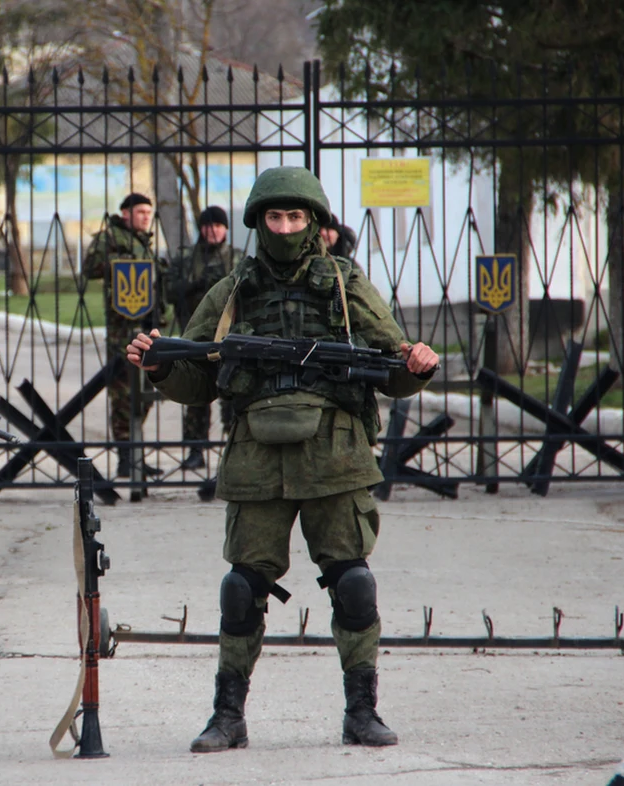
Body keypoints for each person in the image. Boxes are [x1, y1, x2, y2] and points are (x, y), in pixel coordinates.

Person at [125, 167, 439, 751]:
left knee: (353, 585)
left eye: (296, 217)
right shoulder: (232, 290)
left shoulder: (346, 285)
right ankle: (228, 716)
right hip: (257, 459)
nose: (286, 227)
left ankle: (361, 712)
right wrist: (161, 365)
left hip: (335, 457)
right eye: (275, 216)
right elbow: (198, 375)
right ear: (258, 222)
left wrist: (415, 364)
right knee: (242, 589)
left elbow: (392, 364)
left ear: (315, 222)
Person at [84, 192, 169, 477]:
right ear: (125, 214)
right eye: (141, 212)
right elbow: (90, 268)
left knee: (144, 393)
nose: (146, 216)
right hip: (123, 331)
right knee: (123, 396)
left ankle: (135, 455)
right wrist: (117, 260)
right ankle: (125, 459)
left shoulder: (145, 244)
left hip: (147, 328)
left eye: (148, 212)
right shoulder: (111, 237)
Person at [168, 205, 241, 470]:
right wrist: (195, 285)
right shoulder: (187, 259)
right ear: (201, 229)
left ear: (225, 229)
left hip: (231, 339)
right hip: (196, 336)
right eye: (209, 226)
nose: (214, 231)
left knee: (232, 394)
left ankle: (235, 449)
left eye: (219, 226)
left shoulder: (236, 258)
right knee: (196, 394)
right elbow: (169, 291)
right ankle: (195, 449)